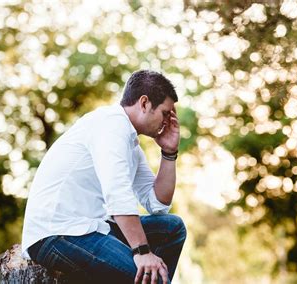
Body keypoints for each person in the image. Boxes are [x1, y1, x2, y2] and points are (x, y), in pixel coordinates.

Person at [21, 70, 186, 284]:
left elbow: (157, 204)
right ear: (144, 103)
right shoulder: (111, 124)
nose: (166, 121)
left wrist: (169, 153)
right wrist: (142, 252)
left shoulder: (130, 142)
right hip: (57, 234)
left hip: (92, 227)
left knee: (171, 228)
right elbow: (117, 194)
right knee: (152, 280)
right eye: (165, 113)